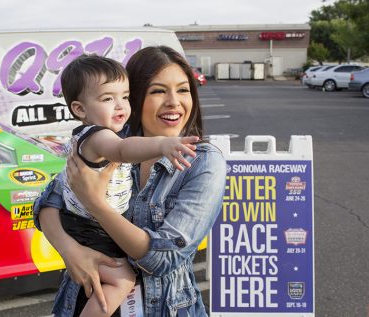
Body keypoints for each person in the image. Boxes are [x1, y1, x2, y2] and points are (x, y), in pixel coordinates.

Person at [34, 46, 226, 317]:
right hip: (83, 300)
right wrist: (71, 251)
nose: (174, 101)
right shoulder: (110, 142)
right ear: (137, 95)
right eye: (158, 91)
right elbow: (48, 201)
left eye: (183, 90)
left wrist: (95, 203)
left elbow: (163, 258)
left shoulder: (203, 162)